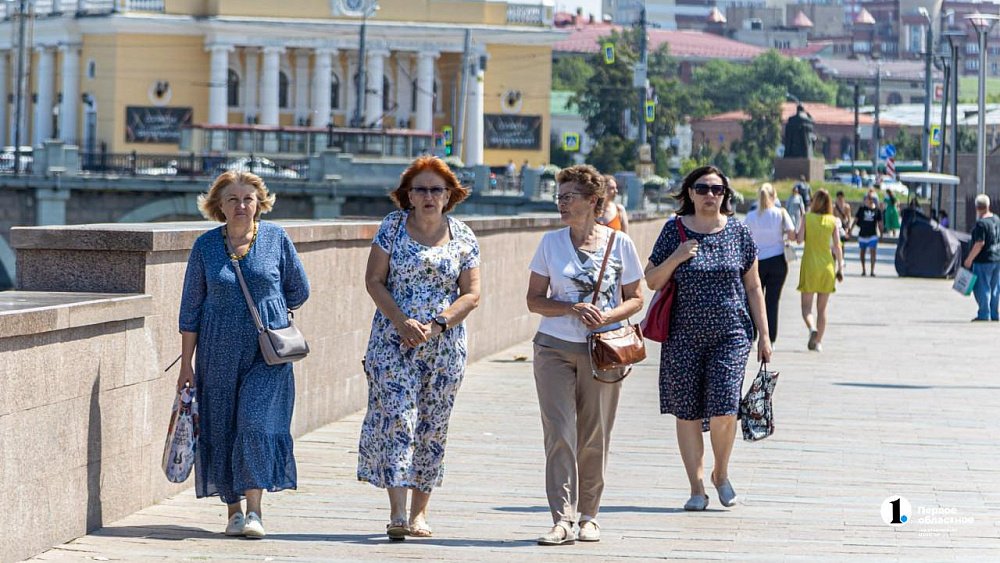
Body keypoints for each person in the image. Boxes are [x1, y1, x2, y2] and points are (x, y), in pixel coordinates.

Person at [177, 171, 310, 539]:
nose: (241, 205)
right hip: (217, 352)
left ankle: (254, 511)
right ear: (219, 206)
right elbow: (190, 310)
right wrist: (186, 364)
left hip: (267, 353)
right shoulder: (205, 247)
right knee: (222, 427)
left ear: (259, 203)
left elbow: (299, 290)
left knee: (254, 424)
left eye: (248, 198)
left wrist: (271, 308)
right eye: (232, 199)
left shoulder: (276, 239)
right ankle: (233, 512)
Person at [359, 156, 482, 540]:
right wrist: (401, 321)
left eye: (436, 190)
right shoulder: (392, 227)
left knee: (432, 426)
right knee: (398, 419)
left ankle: (419, 514)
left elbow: (472, 294)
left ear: (449, 195)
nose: (429, 196)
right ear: (408, 195)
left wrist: (438, 324)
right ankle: (397, 512)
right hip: (393, 343)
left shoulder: (463, 236)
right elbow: (374, 280)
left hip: (444, 346)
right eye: (421, 189)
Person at [526, 164, 644, 545]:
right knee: (559, 433)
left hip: (603, 351)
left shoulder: (620, 244)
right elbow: (534, 300)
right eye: (559, 197)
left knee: (594, 436)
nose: (561, 204)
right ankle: (562, 519)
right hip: (553, 348)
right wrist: (570, 309)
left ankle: (589, 516)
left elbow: (637, 299)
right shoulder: (550, 243)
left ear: (593, 201)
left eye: (569, 197)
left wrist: (606, 316)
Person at [646, 165, 771, 512]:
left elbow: (753, 286)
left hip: (731, 334)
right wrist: (677, 256)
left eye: (717, 189)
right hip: (682, 336)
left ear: (725, 195)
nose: (709, 195)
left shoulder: (738, 232)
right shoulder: (673, 231)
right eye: (702, 188)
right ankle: (696, 488)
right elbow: (651, 280)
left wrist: (764, 335)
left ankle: (721, 473)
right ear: (690, 193)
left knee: (725, 408)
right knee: (686, 412)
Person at [744, 183, 796, 345]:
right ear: (774, 196)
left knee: (753, 299)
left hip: (756, 262)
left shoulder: (751, 216)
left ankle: (752, 336)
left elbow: (744, 238)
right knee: (772, 302)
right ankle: (770, 339)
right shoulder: (781, 213)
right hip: (777, 260)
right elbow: (792, 235)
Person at [797, 189, 844, 352]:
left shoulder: (807, 218)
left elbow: (799, 239)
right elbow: (837, 246)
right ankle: (818, 342)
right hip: (827, 267)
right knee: (822, 309)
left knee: (806, 308)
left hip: (810, 265)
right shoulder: (833, 221)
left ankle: (812, 328)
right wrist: (840, 267)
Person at [963, 194, 1000, 322]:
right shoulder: (996, 220)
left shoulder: (981, 224)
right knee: (995, 288)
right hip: (997, 259)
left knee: (982, 287)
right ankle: (994, 314)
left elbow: (979, 243)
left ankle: (984, 314)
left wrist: (969, 259)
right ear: (988, 205)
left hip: (983, 260)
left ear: (977, 208)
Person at [853, 193, 883, 277]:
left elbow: (880, 223)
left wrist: (881, 234)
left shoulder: (877, 210)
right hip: (862, 234)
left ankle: (872, 271)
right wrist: (850, 230)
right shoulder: (861, 209)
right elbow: (856, 220)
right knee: (862, 253)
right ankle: (863, 270)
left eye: (870, 199)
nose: (868, 201)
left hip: (873, 235)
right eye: (867, 199)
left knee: (873, 252)